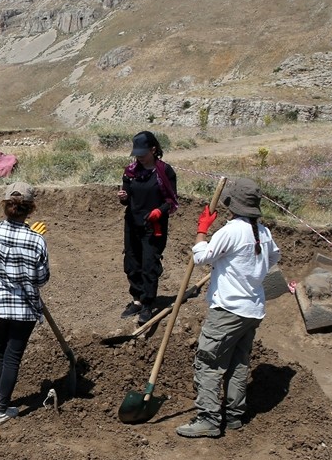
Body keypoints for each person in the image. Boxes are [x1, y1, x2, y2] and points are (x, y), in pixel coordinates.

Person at [177, 178, 282, 439]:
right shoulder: (263, 231)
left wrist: (202, 231)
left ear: (231, 203)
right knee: (238, 363)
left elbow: (200, 257)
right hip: (252, 309)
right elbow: (274, 258)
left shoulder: (232, 230)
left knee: (208, 361)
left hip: (228, 310)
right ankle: (234, 415)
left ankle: (208, 419)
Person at [0, 181, 50, 427]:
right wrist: (35, 237)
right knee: (12, 357)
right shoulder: (36, 241)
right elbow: (41, 279)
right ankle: (0, 411)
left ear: (5, 206)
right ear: (30, 209)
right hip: (23, 309)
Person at [118, 131, 178, 325]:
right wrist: (123, 197)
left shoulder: (165, 172)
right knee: (132, 263)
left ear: (153, 150)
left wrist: (159, 212)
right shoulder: (130, 171)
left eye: (143, 153)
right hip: (133, 224)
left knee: (149, 265)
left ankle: (147, 304)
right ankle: (136, 299)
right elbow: (126, 198)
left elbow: (171, 200)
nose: (139, 157)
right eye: (137, 154)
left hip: (154, 227)